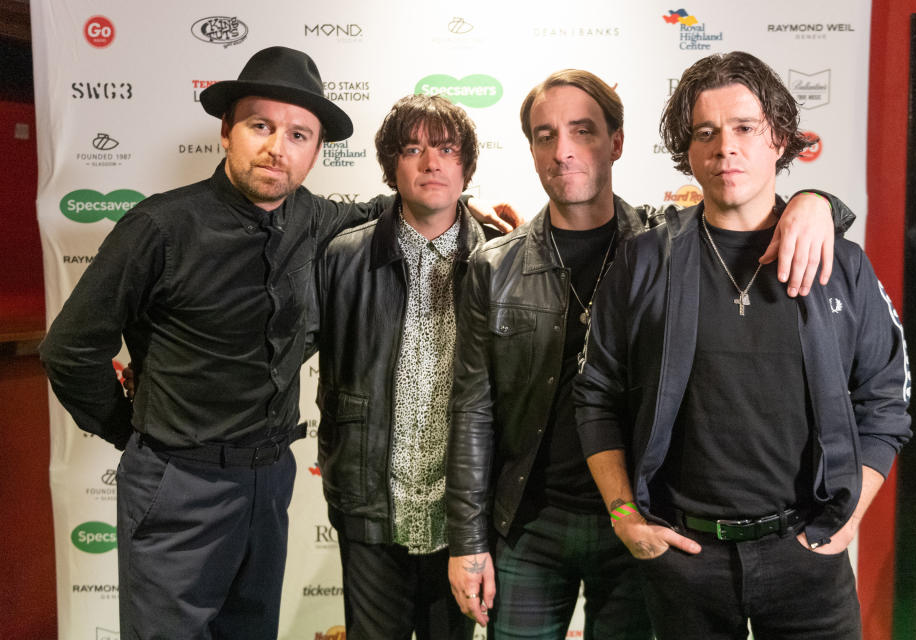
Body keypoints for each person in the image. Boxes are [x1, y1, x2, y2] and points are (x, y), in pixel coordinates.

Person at [39, 47, 515, 640]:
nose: (277, 148)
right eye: (260, 126)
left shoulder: (321, 223)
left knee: (252, 630)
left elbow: (411, 207)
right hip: (176, 480)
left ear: (316, 151)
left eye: (299, 134)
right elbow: (69, 349)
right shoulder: (160, 226)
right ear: (226, 131)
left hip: (269, 480)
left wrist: (481, 218)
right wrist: (136, 433)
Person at [445, 67, 854, 639]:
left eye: (583, 131)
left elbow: (741, 207)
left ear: (615, 143)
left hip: (651, 521)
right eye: (545, 135)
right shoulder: (496, 266)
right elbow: (473, 411)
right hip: (531, 522)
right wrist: (467, 542)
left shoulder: (660, 246)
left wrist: (817, 202)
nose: (563, 151)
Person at [575, 51, 911, 640]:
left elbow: (886, 400)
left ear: (779, 139)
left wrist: (849, 519)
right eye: (706, 132)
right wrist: (626, 515)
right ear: (688, 149)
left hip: (808, 554)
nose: (725, 146)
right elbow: (596, 395)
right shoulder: (644, 260)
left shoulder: (843, 264)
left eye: (745, 128)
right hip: (683, 557)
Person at [314, 94, 495, 640]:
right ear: (392, 165)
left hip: (461, 523)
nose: (431, 163)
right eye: (412, 149)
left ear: (466, 165)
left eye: (445, 149)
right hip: (371, 510)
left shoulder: (502, 260)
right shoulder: (343, 258)